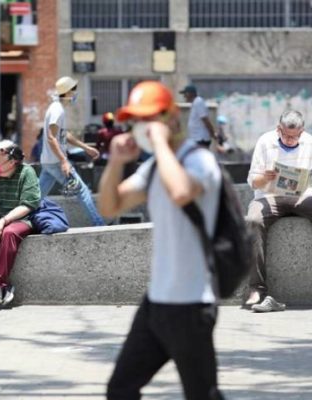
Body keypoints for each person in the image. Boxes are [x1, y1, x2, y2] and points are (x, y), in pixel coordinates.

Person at [98, 81, 224, 400]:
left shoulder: (199, 160)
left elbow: (182, 192)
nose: (141, 127)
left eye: (148, 119)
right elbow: (110, 206)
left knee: (202, 395)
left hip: (193, 304)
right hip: (156, 303)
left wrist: (163, 145)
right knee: (120, 389)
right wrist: (115, 162)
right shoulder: (154, 167)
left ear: (171, 119)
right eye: (136, 121)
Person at [243, 110, 312, 312]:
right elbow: (253, 181)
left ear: (302, 131)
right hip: (268, 197)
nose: (291, 140)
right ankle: (258, 291)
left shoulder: (310, 142)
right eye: (286, 135)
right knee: (253, 220)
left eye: (295, 136)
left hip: (302, 197)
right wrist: (265, 178)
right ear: (278, 129)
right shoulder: (265, 142)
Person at [0, 140, 40, 306]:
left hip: (20, 218)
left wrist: (5, 221)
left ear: (12, 162)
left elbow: (28, 204)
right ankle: (4, 285)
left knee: (9, 233)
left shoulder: (27, 172)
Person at [39, 76, 105, 226]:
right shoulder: (57, 110)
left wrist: (86, 147)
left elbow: (63, 134)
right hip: (56, 161)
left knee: (36, 198)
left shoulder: (57, 108)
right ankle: (99, 224)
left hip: (49, 161)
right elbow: (51, 137)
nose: (75, 93)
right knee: (82, 191)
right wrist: (64, 161)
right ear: (67, 92)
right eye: (74, 90)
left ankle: (17, 219)